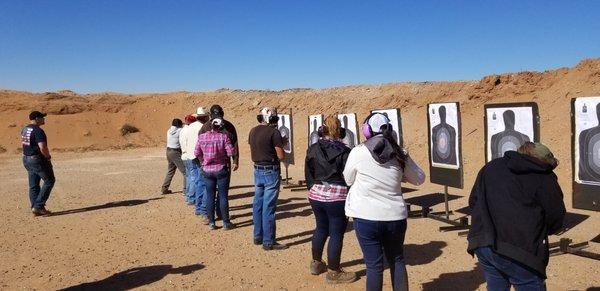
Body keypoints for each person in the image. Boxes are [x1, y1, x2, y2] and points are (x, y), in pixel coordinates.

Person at [467, 142, 566, 291]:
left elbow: (474, 201)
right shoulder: (544, 176)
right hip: (521, 251)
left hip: (483, 243)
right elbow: (555, 217)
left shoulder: (491, 166)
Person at [343, 112, 425, 291]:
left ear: (367, 131)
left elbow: (348, 179)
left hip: (365, 217)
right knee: (397, 260)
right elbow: (419, 178)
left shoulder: (358, 151)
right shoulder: (400, 153)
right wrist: (400, 174)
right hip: (395, 217)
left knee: (374, 266)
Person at [304, 115, 356, 284]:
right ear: (340, 132)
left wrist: (312, 187)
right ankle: (333, 272)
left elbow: (308, 173)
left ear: (322, 130)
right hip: (337, 197)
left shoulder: (312, 148)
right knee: (336, 234)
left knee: (320, 228)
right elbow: (350, 178)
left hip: (316, 195)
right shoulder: (346, 152)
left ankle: (316, 263)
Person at [248, 107, 288, 250]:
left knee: (258, 204)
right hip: (270, 171)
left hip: (257, 169)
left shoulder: (253, 130)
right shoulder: (274, 132)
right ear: (270, 119)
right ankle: (268, 241)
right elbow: (281, 156)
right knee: (268, 207)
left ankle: (257, 236)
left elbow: (260, 146)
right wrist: (281, 143)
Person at [195, 118, 237, 230]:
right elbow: (230, 152)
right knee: (223, 196)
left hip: (207, 170)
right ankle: (226, 222)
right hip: (221, 169)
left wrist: (203, 161)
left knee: (210, 196)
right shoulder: (224, 137)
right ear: (221, 127)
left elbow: (196, 152)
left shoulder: (201, 137)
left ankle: (212, 223)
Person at [200, 104, 239, 220]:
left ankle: (214, 216)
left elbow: (235, 144)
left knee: (213, 192)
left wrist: (236, 160)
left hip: (213, 165)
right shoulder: (207, 127)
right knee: (219, 193)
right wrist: (235, 159)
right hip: (222, 165)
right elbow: (233, 147)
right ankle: (212, 215)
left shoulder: (227, 126)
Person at [21, 111, 56, 216]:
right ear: (36, 119)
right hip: (37, 159)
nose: (44, 119)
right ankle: (38, 206)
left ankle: (35, 208)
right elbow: (42, 147)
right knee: (49, 180)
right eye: (42, 117)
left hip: (26, 158)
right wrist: (48, 157)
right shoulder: (38, 131)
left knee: (34, 185)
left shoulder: (25, 129)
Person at [161, 118, 186, 195]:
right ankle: (186, 190)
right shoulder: (180, 131)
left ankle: (164, 188)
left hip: (168, 151)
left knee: (170, 171)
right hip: (175, 152)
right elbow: (183, 130)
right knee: (185, 172)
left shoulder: (169, 130)